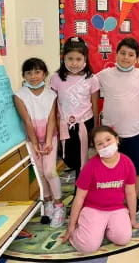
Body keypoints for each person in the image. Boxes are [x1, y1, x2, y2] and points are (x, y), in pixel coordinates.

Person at [63, 126, 139, 253]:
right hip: (93, 208)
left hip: (117, 208)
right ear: (95, 148)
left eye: (108, 140)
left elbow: (130, 193)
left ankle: (105, 228)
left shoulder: (127, 163)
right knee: (88, 247)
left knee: (123, 239)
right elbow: (79, 197)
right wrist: (71, 226)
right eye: (100, 144)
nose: (105, 145)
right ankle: (85, 227)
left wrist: (133, 219)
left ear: (117, 139)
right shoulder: (90, 167)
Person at [96, 37, 139, 210]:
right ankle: (112, 198)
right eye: (122, 53)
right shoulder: (105, 74)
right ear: (116, 54)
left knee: (136, 169)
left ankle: (134, 199)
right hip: (110, 135)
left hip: (135, 132)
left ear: (136, 59)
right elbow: (84, 84)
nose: (126, 57)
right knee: (109, 168)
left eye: (131, 54)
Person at [14, 58, 65, 227]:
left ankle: (59, 205)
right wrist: (35, 143)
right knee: (41, 172)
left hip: (50, 137)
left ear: (44, 74)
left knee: (50, 171)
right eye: (29, 73)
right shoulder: (19, 95)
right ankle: (48, 201)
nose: (33, 76)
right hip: (31, 138)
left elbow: (52, 120)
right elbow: (27, 121)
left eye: (37, 72)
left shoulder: (51, 94)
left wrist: (49, 141)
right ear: (24, 75)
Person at [50, 37, 100, 179]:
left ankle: (81, 192)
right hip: (65, 124)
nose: (74, 63)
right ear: (63, 58)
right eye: (70, 58)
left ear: (85, 59)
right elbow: (53, 105)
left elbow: (95, 105)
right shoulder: (56, 78)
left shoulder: (92, 79)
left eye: (78, 59)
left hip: (85, 123)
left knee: (82, 161)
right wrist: (54, 126)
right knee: (69, 159)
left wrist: (95, 127)